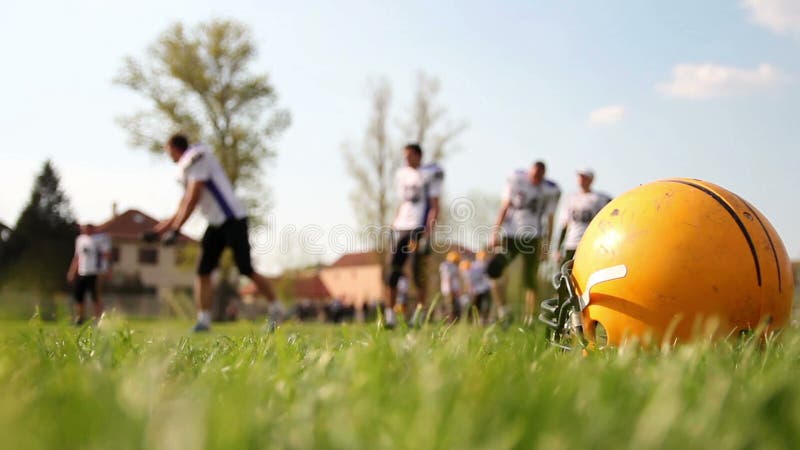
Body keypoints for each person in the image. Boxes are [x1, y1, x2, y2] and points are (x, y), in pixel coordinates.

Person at [147, 133, 277, 332]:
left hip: (233, 218)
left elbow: (194, 196)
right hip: (215, 223)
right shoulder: (187, 167)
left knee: (245, 268)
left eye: (168, 151)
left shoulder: (196, 157)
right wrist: (158, 231)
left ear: (174, 148)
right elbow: (183, 204)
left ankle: (276, 309)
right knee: (203, 271)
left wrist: (176, 229)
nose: (169, 156)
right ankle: (204, 320)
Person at [487, 160, 561, 326]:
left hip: (533, 237)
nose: (535, 179)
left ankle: (530, 318)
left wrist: (546, 247)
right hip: (512, 234)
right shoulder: (516, 179)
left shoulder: (550, 190)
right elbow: (504, 207)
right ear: (529, 172)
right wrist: (495, 232)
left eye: (539, 176)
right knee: (494, 269)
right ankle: (503, 311)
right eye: (533, 175)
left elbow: (550, 219)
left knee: (530, 279)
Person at [383, 143, 444, 328]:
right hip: (402, 226)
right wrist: (393, 225)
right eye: (405, 156)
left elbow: (434, 205)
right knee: (392, 271)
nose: (406, 159)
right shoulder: (403, 174)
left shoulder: (430, 174)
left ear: (418, 155)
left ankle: (418, 315)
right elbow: (403, 203)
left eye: (409, 155)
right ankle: (390, 315)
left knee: (419, 273)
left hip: (418, 227)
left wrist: (428, 230)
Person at [555, 168, 612, 264]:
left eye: (584, 177)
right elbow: (565, 224)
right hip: (571, 243)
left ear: (591, 180)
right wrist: (558, 248)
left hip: (590, 243)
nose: (581, 179)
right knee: (565, 275)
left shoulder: (599, 198)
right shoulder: (570, 198)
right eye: (580, 177)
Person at [66, 224, 106, 325]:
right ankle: (80, 318)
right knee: (79, 296)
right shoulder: (80, 240)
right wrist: (72, 271)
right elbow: (77, 257)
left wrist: (104, 270)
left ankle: (98, 319)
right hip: (82, 272)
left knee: (95, 297)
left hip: (94, 272)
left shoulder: (99, 240)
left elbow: (105, 256)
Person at [439, 251, 462, 321]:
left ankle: (452, 319)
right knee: (450, 306)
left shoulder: (450, 266)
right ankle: (449, 320)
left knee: (452, 305)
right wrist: (451, 289)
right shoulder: (448, 266)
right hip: (450, 289)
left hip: (451, 289)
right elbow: (448, 278)